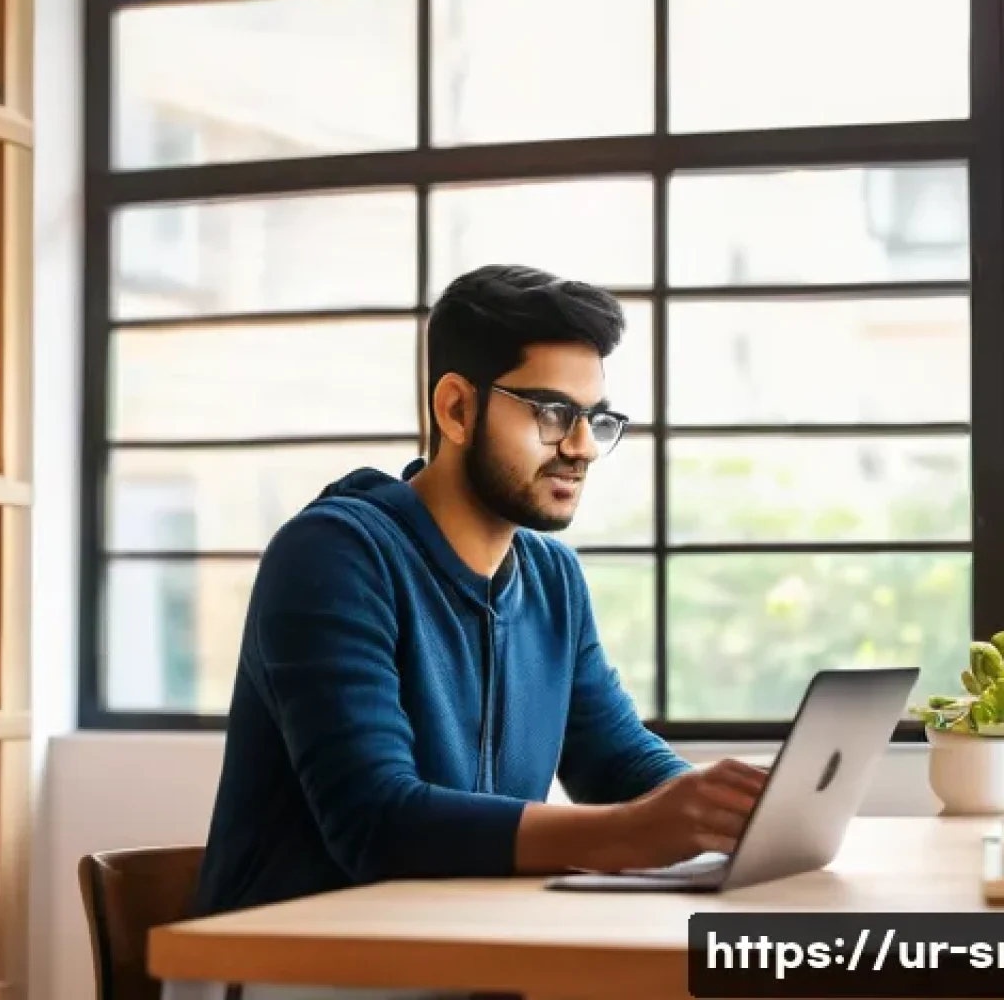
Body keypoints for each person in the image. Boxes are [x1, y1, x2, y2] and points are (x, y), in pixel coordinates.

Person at [192, 263, 766, 920]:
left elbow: (615, 757)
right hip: (289, 971)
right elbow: (377, 822)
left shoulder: (551, 578)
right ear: (457, 409)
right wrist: (634, 833)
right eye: (553, 414)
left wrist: (729, 810)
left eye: (595, 418)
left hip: (461, 954)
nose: (581, 447)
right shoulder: (333, 555)